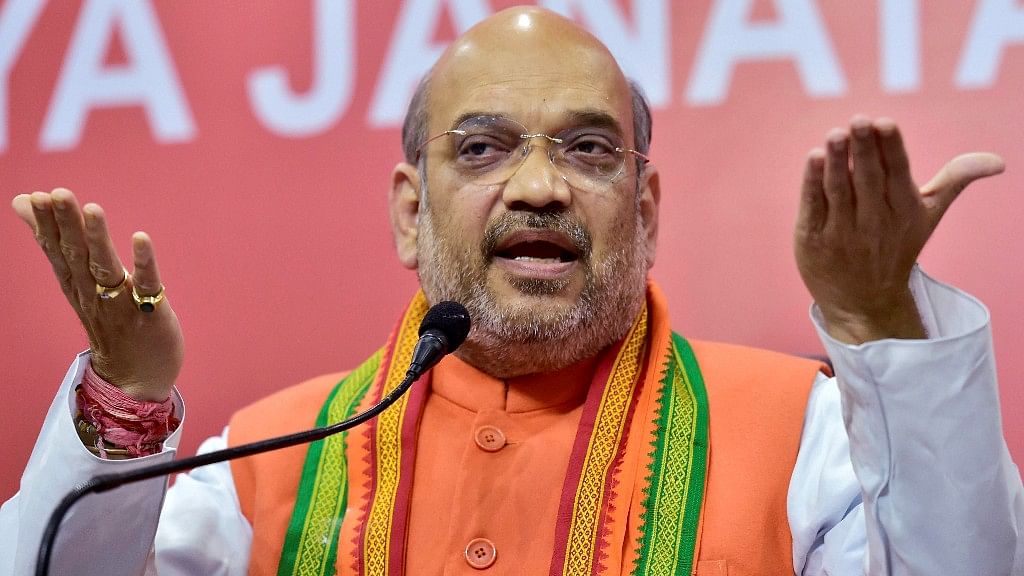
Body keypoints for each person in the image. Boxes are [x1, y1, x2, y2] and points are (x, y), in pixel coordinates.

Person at [2, 6, 1022, 576]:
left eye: (586, 148)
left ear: (648, 207)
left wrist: (877, 323)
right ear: (410, 211)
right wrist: (124, 403)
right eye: (483, 147)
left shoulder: (802, 433)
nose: (539, 185)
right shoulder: (266, 464)